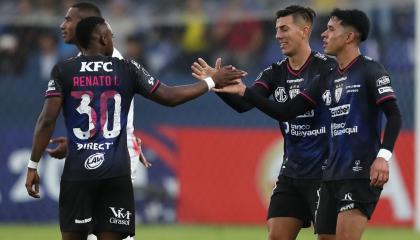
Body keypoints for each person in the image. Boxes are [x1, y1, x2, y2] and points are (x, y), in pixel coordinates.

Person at [25, 16, 244, 240]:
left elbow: (46, 121)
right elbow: (170, 97)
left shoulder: (63, 71)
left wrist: (33, 165)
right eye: (111, 35)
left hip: (78, 175)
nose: (113, 39)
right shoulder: (127, 69)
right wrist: (212, 81)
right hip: (116, 174)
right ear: (103, 38)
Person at [214, 8, 402, 240]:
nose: (324, 34)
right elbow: (284, 110)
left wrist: (383, 156)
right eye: (276, 30)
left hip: (344, 172)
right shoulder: (314, 77)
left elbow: (392, 115)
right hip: (314, 175)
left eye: (331, 29)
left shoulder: (357, 70)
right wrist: (230, 88)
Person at [192, 5, 335, 240]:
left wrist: (244, 92)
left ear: (304, 31)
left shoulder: (325, 69)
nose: (278, 35)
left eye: (284, 29)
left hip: (325, 174)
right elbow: (244, 104)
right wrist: (214, 85)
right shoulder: (275, 72)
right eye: (276, 29)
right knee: (276, 236)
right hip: (291, 174)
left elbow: (286, 111)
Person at [46, 2, 150, 183]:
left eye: (69, 20)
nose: (63, 25)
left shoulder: (112, 62)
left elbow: (105, 118)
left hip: (114, 157)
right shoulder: (81, 59)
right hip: (101, 151)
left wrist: (210, 82)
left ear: (86, 25)